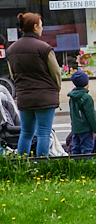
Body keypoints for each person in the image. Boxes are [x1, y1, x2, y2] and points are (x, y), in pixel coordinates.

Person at [7, 12, 62, 157]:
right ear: (35, 26)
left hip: (24, 96)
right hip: (45, 96)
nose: (42, 28)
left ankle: (21, 164)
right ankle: (41, 164)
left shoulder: (11, 50)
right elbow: (56, 73)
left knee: (26, 132)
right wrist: (56, 89)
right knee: (44, 132)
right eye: (41, 25)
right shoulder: (44, 48)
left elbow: (13, 74)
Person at [67, 71, 96, 156]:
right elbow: (91, 115)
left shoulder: (72, 97)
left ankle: (75, 163)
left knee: (76, 148)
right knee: (87, 149)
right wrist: (95, 129)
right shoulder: (86, 97)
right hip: (86, 128)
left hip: (76, 128)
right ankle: (86, 164)